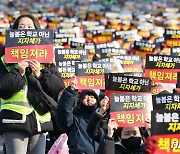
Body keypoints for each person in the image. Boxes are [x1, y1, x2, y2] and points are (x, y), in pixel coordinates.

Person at [0, 13, 65, 154]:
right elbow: (3, 89)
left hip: (39, 119)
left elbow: (57, 87)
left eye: (30, 27)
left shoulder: (46, 57)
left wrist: (40, 74)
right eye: (21, 27)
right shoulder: (4, 57)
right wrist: (18, 72)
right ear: (14, 31)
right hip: (14, 119)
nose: (26, 30)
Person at [56, 75, 99, 154]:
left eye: (92, 97)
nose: (89, 99)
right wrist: (71, 90)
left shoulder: (103, 118)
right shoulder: (74, 117)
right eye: (85, 98)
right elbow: (63, 111)